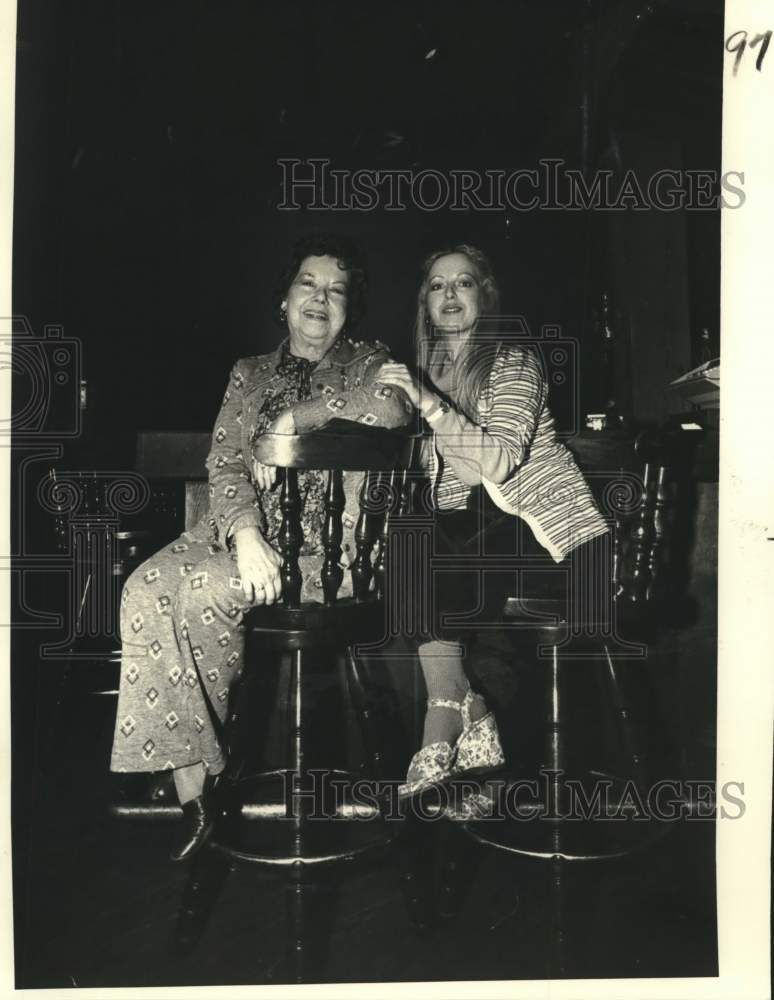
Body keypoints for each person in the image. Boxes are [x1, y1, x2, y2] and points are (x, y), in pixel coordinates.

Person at [110, 233, 412, 860]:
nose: (320, 298)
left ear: (349, 309)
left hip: (324, 558)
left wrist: (292, 420)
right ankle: (197, 787)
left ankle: (206, 786)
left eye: (336, 290)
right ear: (283, 299)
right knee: (143, 585)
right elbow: (223, 461)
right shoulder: (247, 373)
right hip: (241, 538)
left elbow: (393, 406)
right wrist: (246, 533)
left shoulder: (368, 363)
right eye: (308, 283)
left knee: (196, 590)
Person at [377, 244, 610, 803]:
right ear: (424, 303)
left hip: (560, 545)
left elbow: (498, 463)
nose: (450, 295)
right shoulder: (429, 376)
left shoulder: (513, 362)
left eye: (464, 283)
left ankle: (448, 717)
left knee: (425, 539)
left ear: (485, 296)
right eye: (437, 285)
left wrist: (430, 407)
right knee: (411, 537)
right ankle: (467, 709)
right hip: (485, 546)